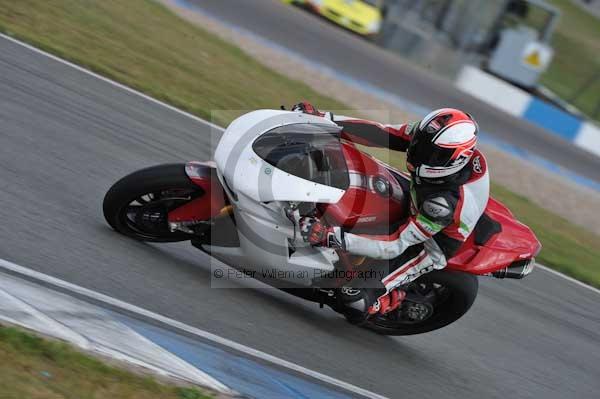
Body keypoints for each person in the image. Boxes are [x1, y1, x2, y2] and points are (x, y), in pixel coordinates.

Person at [292, 102, 490, 321]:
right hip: (419, 192)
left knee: (353, 300)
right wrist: (323, 118)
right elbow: (383, 133)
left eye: (432, 154)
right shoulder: (433, 139)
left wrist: (329, 237)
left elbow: (395, 243)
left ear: (457, 158)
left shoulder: (443, 204)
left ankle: (388, 300)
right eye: (421, 144)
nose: (419, 153)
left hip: (428, 242)